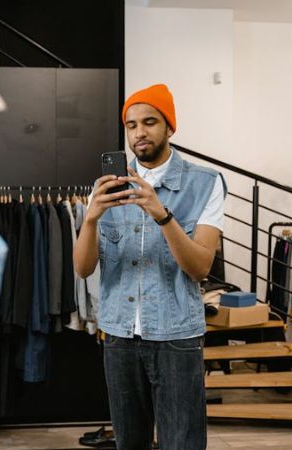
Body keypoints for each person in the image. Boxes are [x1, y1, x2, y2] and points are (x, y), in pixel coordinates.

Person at [73, 84, 225, 450]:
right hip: (119, 337)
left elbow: (200, 267)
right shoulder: (108, 187)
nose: (139, 132)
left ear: (169, 127)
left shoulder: (205, 184)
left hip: (176, 337)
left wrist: (160, 213)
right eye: (131, 124)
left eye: (150, 122)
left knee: (182, 442)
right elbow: (82, 268)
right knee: (130, 442)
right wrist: (91, 219)